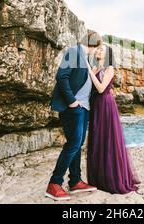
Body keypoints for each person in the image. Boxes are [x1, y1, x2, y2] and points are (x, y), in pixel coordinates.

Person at [45, 31, 102, 201]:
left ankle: (75, 181)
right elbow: (61, 77)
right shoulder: (73, 52)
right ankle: (54, 184)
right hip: (74, 108)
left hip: (84, 108)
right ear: (94, 44)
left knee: (77, 144)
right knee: (73, 144)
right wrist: (72, 102)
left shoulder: (85, 57)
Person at [86, 44, 140, 194]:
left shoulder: (109, 68)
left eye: (102, 49)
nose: (98, 50)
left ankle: (111, 179)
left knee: (108, 140)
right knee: (98, 140)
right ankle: (99, 180)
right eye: (98, 49)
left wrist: (90, 71)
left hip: (106, 105)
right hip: (96, 106)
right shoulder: (96, 68)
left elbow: (101, 88)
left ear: (108, 55)